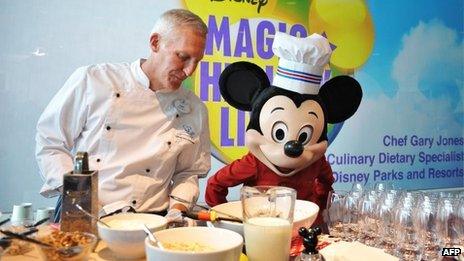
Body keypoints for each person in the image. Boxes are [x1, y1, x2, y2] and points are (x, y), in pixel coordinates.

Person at [35, 9, 211, 222]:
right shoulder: (94, 80)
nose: (189, 71)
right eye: (183, 57)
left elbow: (187, 172)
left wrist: (178, 209)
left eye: (197, 61)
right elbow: (51, 143)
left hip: (152, 219)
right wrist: (82, 197)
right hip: (84, 211)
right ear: (155, 43)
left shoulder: (194, 108)